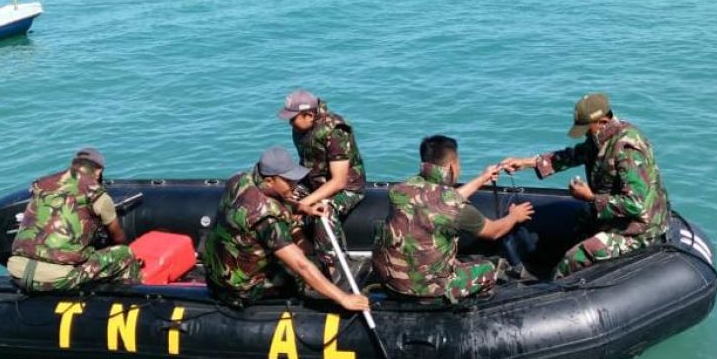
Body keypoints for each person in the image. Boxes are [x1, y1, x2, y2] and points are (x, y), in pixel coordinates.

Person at [503, 92, 670, 276]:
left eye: (586, 128)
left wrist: (590, 197)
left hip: (638, 228)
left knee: (575, 257)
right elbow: (573, 155)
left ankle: (550, 289)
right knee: (571, 230)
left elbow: (636, 204)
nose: (584, 135)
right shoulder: (600, 138)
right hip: (614, 216)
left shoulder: (627, 149)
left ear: (603, 122)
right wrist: (527, 163)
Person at [203, 146, 369, 312]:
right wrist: (343, 298)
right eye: (289, 181)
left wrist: (303, 208)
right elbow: (300, 265)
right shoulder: (266, 219)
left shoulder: (240, 179)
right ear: (269, 180)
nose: (295, 185)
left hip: (215, 272)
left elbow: (262, 200)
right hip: (239, 290)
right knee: (309, 269)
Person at [372, 135, 534, 303]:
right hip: (429, 292)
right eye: (458, 164)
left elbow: (438, 201)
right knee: (488, 269)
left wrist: (483, 178)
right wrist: (515, 216)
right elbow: (494, 231)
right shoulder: (455, 206)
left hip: (389, 283)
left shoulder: (400, 189)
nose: (460, 169)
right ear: (451, 166)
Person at [8, 147, 142, 292]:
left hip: (17, 272)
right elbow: (118, 237)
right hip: (56, 280)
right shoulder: (97, 195)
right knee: (124, 254)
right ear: (98, 172)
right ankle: (130, 297)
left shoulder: (42, 185)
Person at [277, 90, 366, 280]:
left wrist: (305, 203)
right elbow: (306, 163)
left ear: (309, 115)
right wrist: (294, 196)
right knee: (281, 204)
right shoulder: (300, 129)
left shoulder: (335, 132)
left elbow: (339, 180)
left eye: (293, 118)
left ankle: (336, 268)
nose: (290, 123)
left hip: (346, 188)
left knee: (323, 213)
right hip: (312, 182)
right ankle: (307, 255)